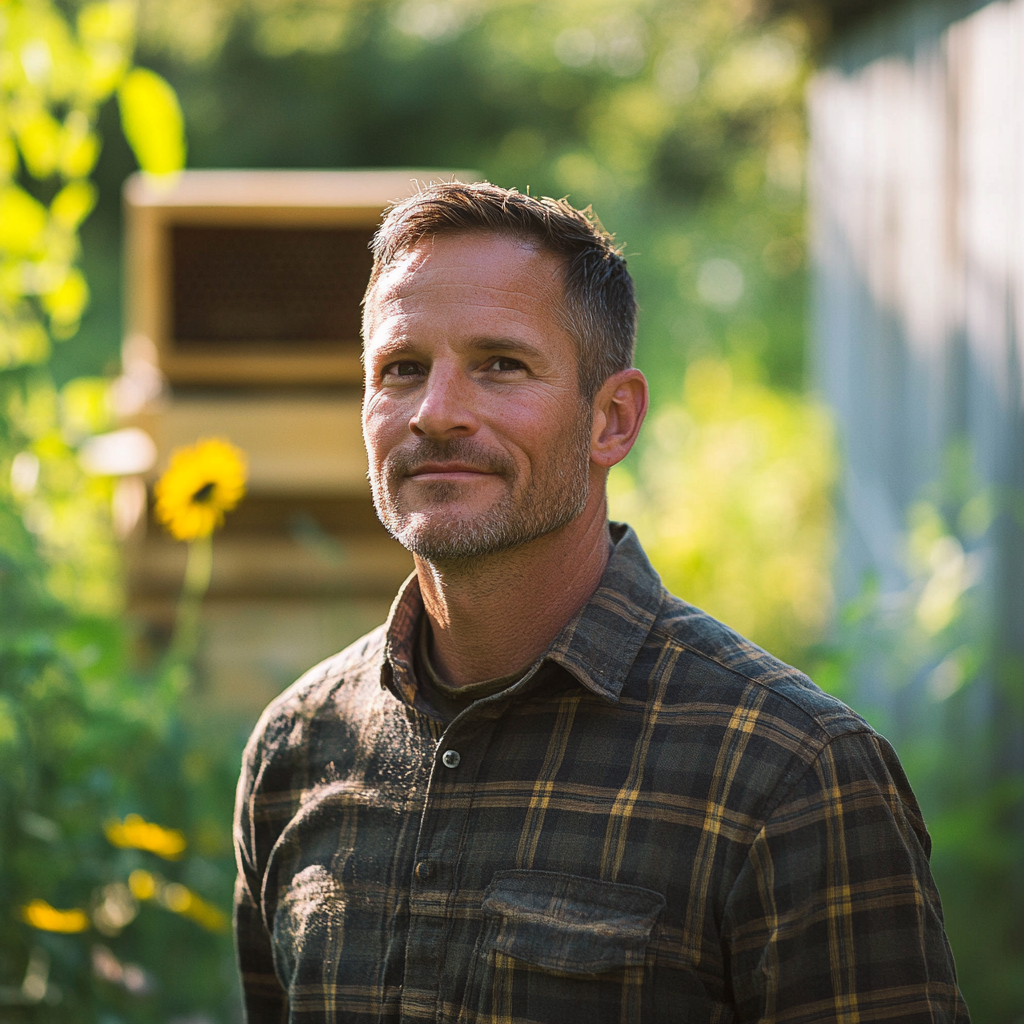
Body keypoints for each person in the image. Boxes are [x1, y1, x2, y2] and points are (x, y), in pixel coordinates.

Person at [233, 181, 969, 1023]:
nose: (435, 414)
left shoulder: (790, 774)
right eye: (401, 369)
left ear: (612, 420)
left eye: (500, 365)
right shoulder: (295, 752)